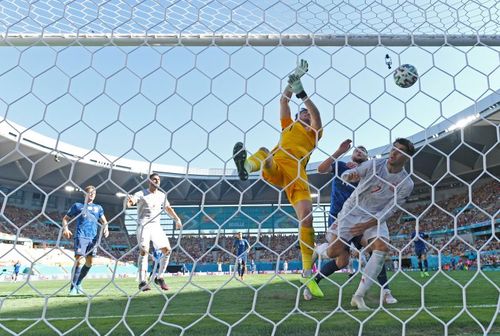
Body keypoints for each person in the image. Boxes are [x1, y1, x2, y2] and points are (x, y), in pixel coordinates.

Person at [232, 60, 324, 298]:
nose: (304, 112)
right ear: (296, 116)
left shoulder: (313, 133)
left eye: (305, 111)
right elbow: (283, 101)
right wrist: (292, 79)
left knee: (307, 220)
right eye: (301, 111)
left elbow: (317, 115)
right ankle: (245, 166)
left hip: (297, 177)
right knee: (264, 152)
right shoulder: (288, 126)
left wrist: (303, 92)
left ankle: (307, 273)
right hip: (276, 166)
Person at [316, 138, 415, 310]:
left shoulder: (406, 183)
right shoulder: (375, 164)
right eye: (393, 149)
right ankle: (318, 249)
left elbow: (391, 209)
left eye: (399, 151)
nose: (394, 152)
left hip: (375, 217)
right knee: (334, 254)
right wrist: (349, 175)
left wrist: (368, 224)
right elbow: (356, 172)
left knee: (381, 247)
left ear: (407, 157)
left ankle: (359, 296)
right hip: (351, 211)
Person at [127, 173, 182, 292]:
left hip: (156, 226)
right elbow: (131, 202)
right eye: (154, 179)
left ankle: (160, 277)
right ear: (149, 181)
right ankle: (142, 282)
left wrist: (177, 219)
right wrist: (129, 201)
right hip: (143, 225)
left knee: (167, 250)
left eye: (158, 180)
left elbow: (168, 208)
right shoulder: (141, 193)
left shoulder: (162, 195)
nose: (156, 181)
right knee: (144, 250)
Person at [62, 185, 109, 295]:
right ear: (85, 194)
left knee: (90, 262)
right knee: (79, 261)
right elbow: (65, 218)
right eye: (90, 192)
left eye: (94, 193)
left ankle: (78, 283)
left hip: (93, 238)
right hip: (81, 236)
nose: (92, 194)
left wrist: (106, 228)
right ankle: (72, 288)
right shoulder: (78, 206)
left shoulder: (98, 208)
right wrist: (66, 228)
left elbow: (104, 221)